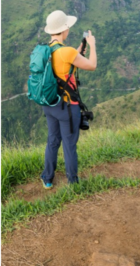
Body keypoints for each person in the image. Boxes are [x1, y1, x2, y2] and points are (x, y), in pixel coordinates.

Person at [40, 10, 97, 189]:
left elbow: (61, 65)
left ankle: (47, 179)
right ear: (65, 30)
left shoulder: (45, 50)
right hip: (67, 108)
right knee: (69, 144)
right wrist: (92, 46)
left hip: (50, 104)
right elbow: (92, 65)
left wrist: (78, 52)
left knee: (53, 141)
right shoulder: (67, 52)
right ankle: (73, 182)